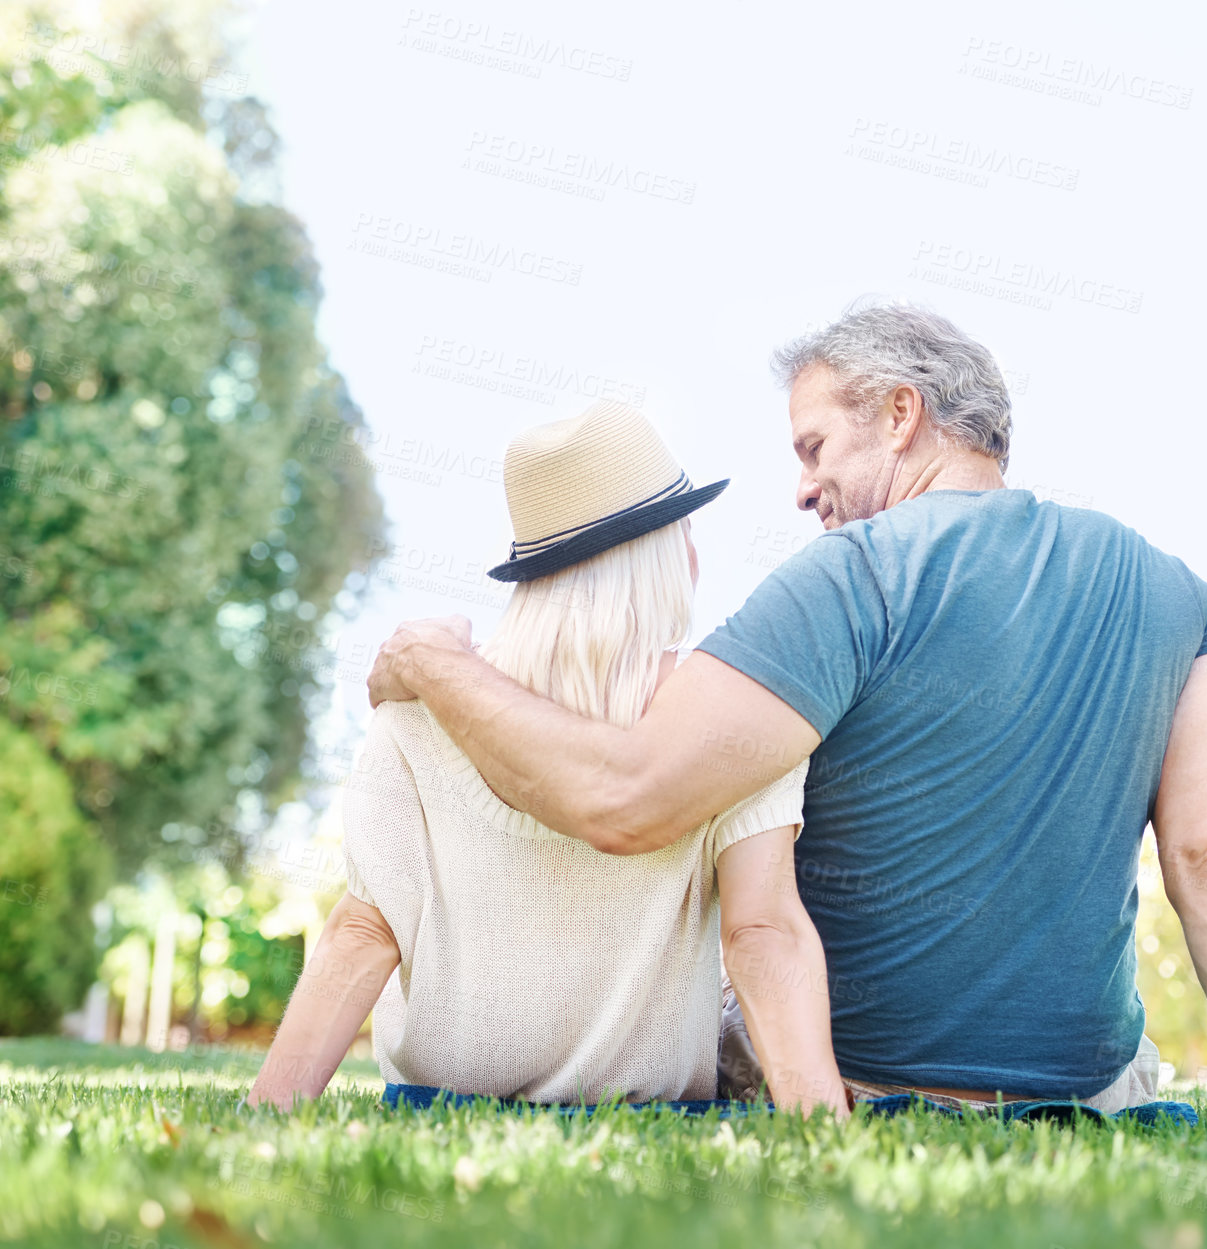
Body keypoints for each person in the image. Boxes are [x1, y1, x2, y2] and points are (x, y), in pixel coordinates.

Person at [367, 299, 1207, 1124]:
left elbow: (627, 797)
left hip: (863, 1082)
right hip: (1090, 1090)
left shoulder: (855, 575)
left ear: (902, 414)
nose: (801, 488)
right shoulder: (1183, 596)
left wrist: (432, 661)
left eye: (815, 445)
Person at [249, 403, 847, 1117]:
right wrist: (822, 1129)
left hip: (438, 1107)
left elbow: (363, 931)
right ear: (669, 556)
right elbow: (761, 930)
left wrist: (269, 1112)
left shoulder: (412, 715)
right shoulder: (728, 723)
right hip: (656, 1119)